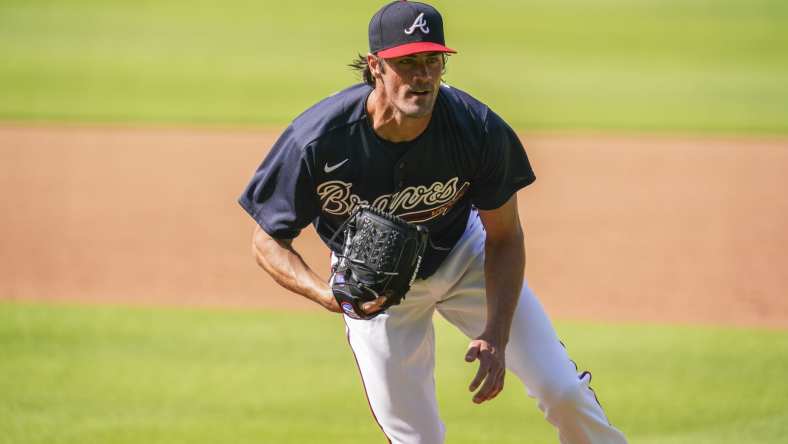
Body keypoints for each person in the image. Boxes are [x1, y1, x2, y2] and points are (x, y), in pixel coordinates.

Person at [238, 1, 628, 443]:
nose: (422, 75)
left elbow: (505, 236)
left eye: (432, 60)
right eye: (406, 62)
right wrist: (327, 295)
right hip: (375, 287)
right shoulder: (317, 140)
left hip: (465, 256)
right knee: (416, 439)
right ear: (375, 66)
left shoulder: (476, 129)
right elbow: (267, 239)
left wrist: (496, 334)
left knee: (563, 393)